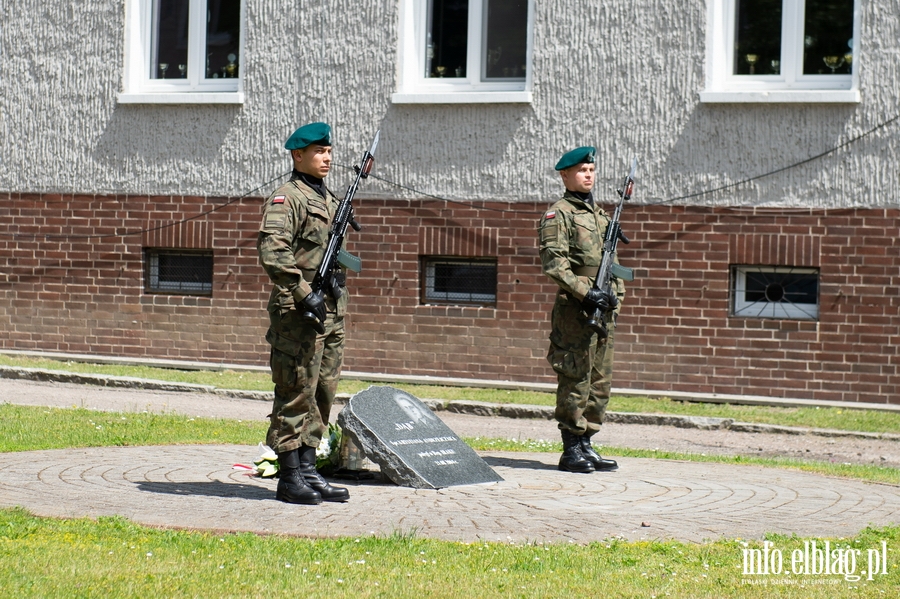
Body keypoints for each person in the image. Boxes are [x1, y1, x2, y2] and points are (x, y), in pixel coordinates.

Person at [257, 121, 351, 504]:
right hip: (298, 312)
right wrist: (301, 291)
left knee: (323, 391)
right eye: (318, 152)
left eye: (329, 151)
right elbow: (273, 251)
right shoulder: (287, 198)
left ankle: (310, 470)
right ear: (298, 155)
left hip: (330, 310)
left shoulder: (327, 199)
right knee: (296, 391)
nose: (326, 158)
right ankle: (290, 476)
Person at [538, 146, 625, 474]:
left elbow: (611, 264)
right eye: (581, 170)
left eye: (592, 170)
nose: (588, 175)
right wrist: (587, 293)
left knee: (600, 378)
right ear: (564, 174)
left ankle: (588, 441)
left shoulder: (601, 216)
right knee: (576, 375)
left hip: (603, 310)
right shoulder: (558, 214)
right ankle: (571, 448)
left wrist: (615, 297)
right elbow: (554, 264)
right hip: (576, 310)